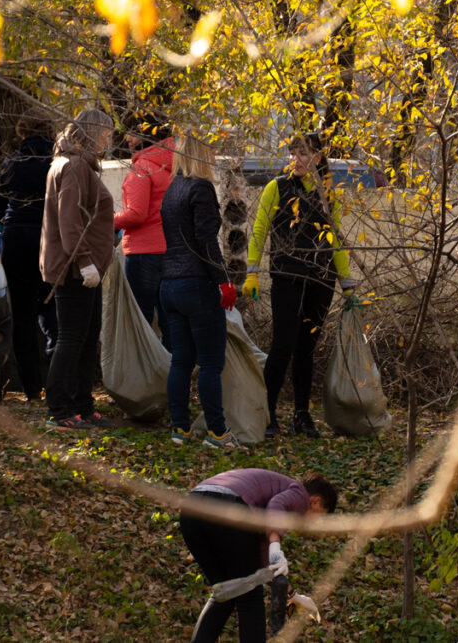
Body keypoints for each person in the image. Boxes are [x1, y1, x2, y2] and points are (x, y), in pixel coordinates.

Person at [242, 133, 352, 439]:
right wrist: (252, 273)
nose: (295, 160)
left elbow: (337, 239)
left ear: (317, 158)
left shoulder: (329, 193)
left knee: (306, 348)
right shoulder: (276, 188)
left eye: (302, 154)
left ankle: (302, 416)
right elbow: (259, 231)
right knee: (283, 345)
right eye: (292, 154)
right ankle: (267, 412)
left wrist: (348, 285)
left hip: (320, 279)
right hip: (287, 276)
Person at [180, 468, 337, 643]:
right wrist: (276, 544)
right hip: (228, 506)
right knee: (250, 595)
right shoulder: (300, 495)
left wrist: (292, 596)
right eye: (318, 518)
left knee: (226, 592)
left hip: (192, 511)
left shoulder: (266, 511)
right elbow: (277, 504)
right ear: (315, 502)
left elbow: (262, 562)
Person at [159, 131, 242, 450]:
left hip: (169, 284)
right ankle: (218, 433)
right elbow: (207, 241)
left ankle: (179, 428)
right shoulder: (201, 188)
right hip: (197, 286)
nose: (213, 156)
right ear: (200, 154)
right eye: (210, 151)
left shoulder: (172, 189)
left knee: (180, 360)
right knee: (210, 362)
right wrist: (223, 280)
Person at [40, 109, 116, 431]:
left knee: (87, 337)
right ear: (93, 132)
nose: (109, 140)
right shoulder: (72, 167)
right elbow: (70, 221)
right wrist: (85, 261)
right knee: (71, 338)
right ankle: (59, 410)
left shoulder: (79, 164)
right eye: (107, 133)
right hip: (74, 269)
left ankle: (83, 406)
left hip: (86, 267)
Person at [0, 112, 59, 403]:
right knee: (53, 310)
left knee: (21, 315)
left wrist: (12, 221)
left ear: (23, 132)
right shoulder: (57, 164)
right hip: (50, 240)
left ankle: (32, 388)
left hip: (18, 239)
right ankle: (58, 382)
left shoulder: (12, 163)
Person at [114, 111, 175, 341]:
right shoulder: (173, 164)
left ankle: (146, 375)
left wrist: (108, 220)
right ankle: (172, 372)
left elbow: (137, 214)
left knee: (141, 325)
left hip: (143, 255)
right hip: (169, 251)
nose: (127, 138)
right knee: (170, 322)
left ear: (146, 132)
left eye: (132, 132)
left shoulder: (143, 167)